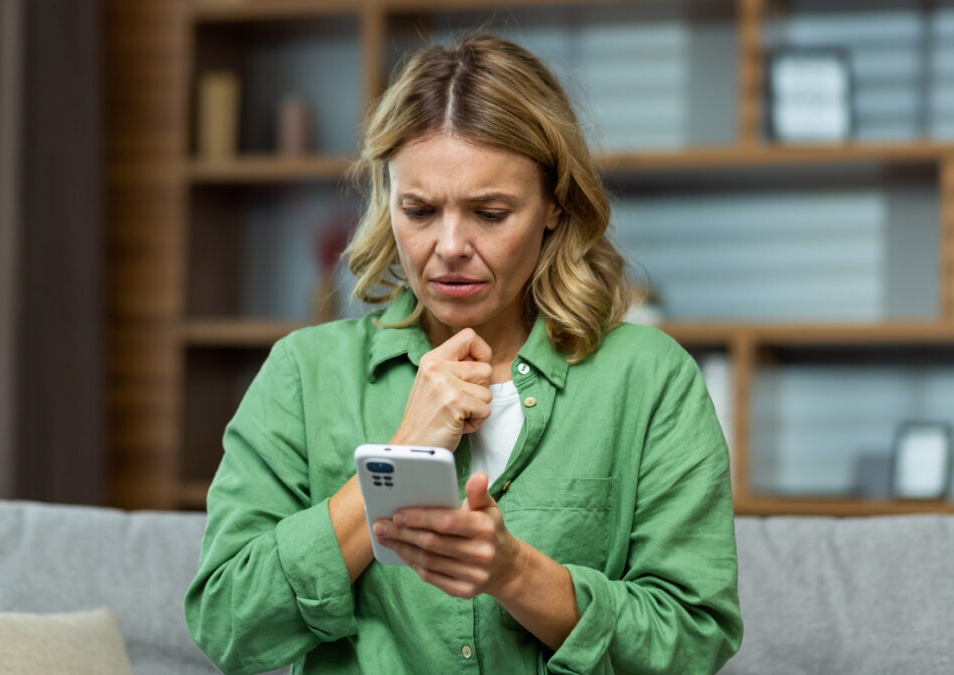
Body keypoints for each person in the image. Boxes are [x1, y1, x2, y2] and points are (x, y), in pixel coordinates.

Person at [185, 34, 742, 674]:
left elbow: (695, 639)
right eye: (419, 210)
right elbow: (227, 624)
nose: (450, 245)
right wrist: (397, 463)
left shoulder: (648, 378)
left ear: (554, 204)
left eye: (490, 211)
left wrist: (516, 573)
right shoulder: (304, 373)